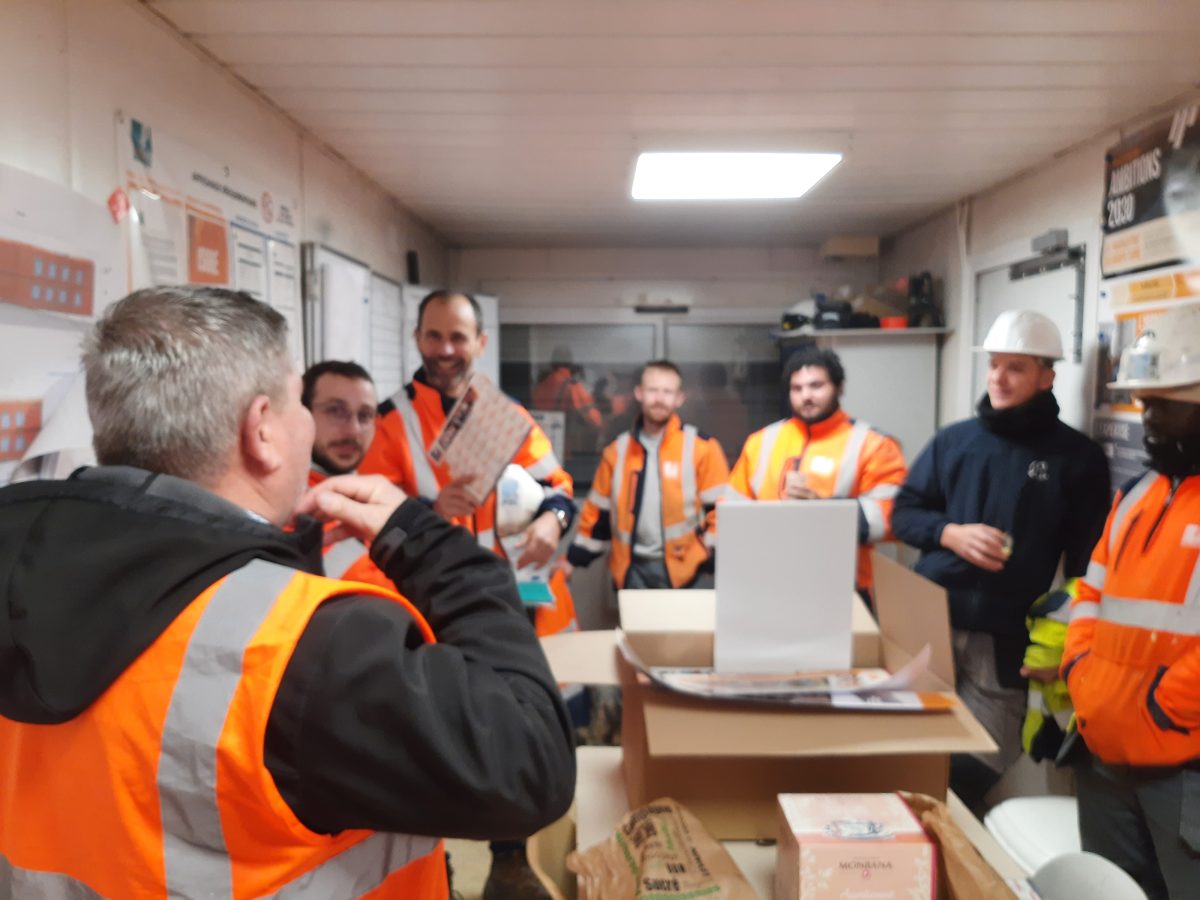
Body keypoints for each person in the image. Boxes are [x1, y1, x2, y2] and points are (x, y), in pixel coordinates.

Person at [0, 286, 575, 899]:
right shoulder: (304, 647)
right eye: (302, 401)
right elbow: (530, 761)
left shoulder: (23, 577)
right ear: (261, 432)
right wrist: (434, 546)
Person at [358, 289, 577, 899]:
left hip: (503, 602)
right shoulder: (389, 422)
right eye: (434, 336)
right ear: (417, 340)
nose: (446, 349)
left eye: (458, 337)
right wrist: (428, 509)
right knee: (436, 730)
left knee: (507, 725)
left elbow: (557, 486)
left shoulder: (504, 414)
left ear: (480, 342)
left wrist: (551, 521)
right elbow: (365, 510)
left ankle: (510, 859)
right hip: (428, 605)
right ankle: (437, 867)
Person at [891, 309, 1110, 810]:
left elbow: (1089, 567)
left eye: (1015, 367)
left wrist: (1068, 644)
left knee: (977, 764)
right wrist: (949, 533)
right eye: (994, 365)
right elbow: (904, 513)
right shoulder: (955, 441)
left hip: (1007, 636)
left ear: (1046, 377)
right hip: (932, 617)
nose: (999, 378)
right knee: (904, 750)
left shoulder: (1077, 457)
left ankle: (950, 843)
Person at [1063, 307, 1200, 898]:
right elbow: (1091, 591)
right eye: (1144, 402)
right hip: (1104, 753)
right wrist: (1081, 672)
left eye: (1165, 404)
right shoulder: (1138, 493)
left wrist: (1160, 708)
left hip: (1182, 768)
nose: (1148, 418)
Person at [729, 345, 907, 599]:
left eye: (816, 386)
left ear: (839, 387)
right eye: (797, 388)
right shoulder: (761, 442)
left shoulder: (873, 444)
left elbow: (893, 517)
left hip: (843, 585)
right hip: (768, 580)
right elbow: (731, 512)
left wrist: (823, 509)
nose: (806, 396)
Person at [565, 359, 731, 590]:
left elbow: (722, 512)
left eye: (667, 392)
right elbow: (597, 515)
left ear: (679, 398)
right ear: (639, 393)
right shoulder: (617, 452)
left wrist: (708, 556)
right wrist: (572, 560)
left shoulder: (702, 448)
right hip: (631, 571)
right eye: (652, 390)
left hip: (688, 572)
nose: (659, 399)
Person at [301, 359, 391, 586]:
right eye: (335, 411)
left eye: (365, 415)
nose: (353, 430)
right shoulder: (295, 507)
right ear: (303, 414)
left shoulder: (365, 494)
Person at [532, 346, 603, 456]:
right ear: (571, 363)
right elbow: (595, 420)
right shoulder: (573, 387)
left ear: (552, 363)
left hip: (540, 448)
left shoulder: (540, 387)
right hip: (566, 450)